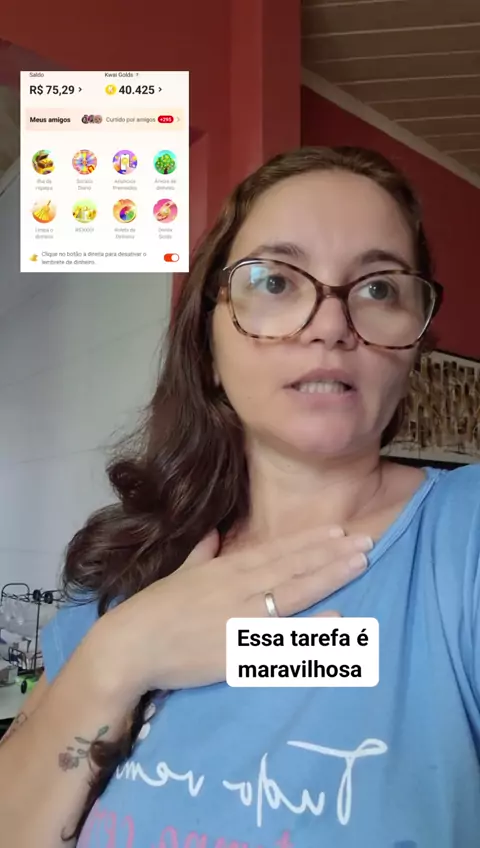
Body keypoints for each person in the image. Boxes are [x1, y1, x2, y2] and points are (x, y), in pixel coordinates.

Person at [1, 145, 479, 848]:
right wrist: (118, 657)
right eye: (276, 280)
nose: (330, 325)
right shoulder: (132, 564)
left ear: (413, 347)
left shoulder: (463, 538)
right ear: (208, 342)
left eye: (379, 289)